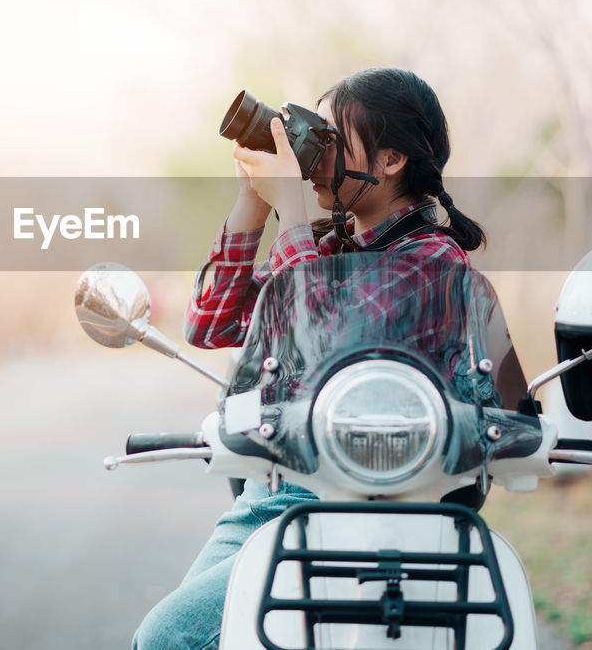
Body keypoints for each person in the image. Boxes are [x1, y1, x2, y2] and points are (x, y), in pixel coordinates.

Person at [132, 67, 490, 650]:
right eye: (312, 136)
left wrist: (293, 213)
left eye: (332, 141)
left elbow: (326, 342)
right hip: (270, 488)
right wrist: (252, 204)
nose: (316, 156)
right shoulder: (327, 246)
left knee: (168, 639)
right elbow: (210, 323)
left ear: (392, 158)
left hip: (355, 499)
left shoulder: (432, 259)